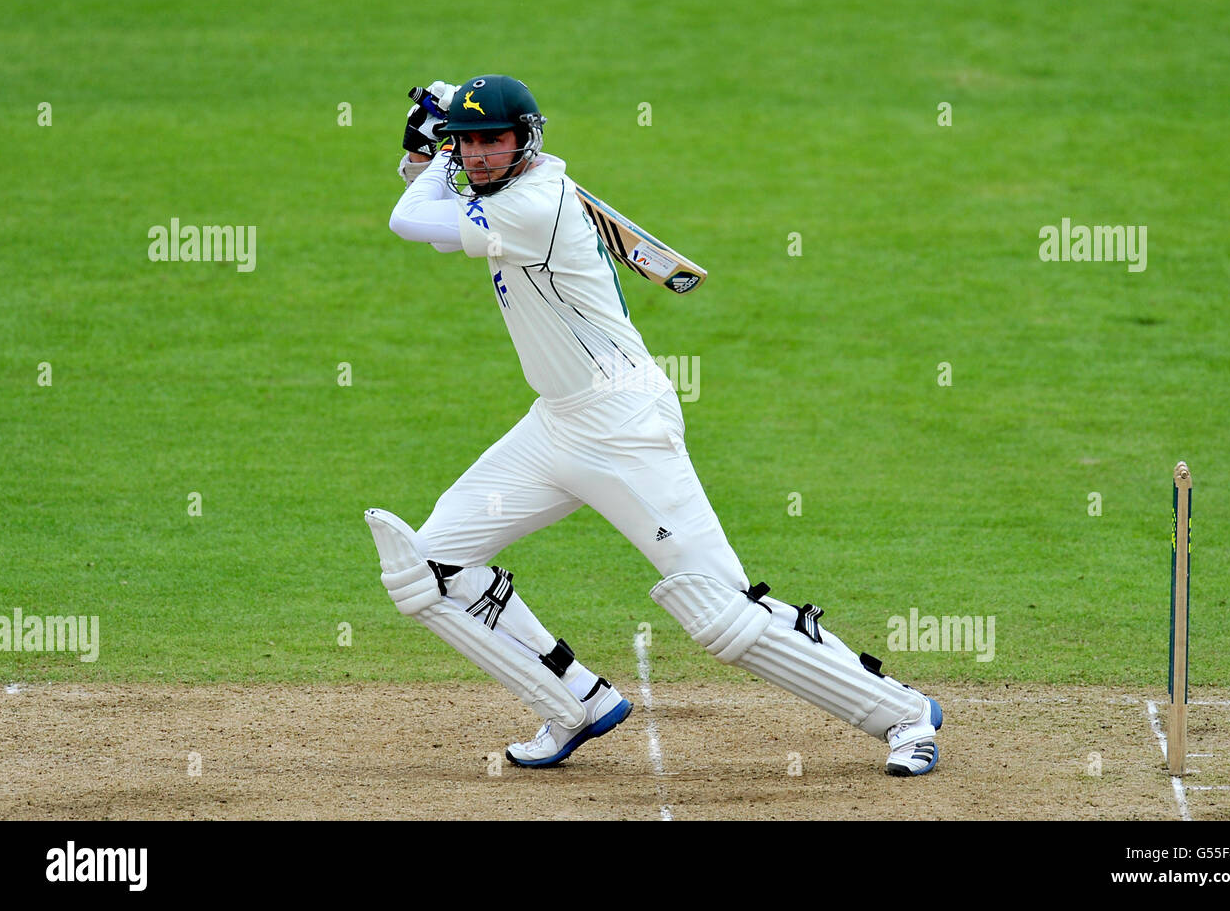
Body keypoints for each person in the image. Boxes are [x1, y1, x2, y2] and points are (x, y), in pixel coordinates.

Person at [366, 74, 942, 775]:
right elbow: (437, 221)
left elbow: (409, 222)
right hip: (556, 423)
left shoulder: (535, 203)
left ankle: (902, 712)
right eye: (470, 142)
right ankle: (573, 699)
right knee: (430, 566)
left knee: (717, 610)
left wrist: (433, 141)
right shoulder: (504, 192)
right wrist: (428, 149)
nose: (481, 155)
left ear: (526, 140)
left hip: (622, 424)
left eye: (495, 139)